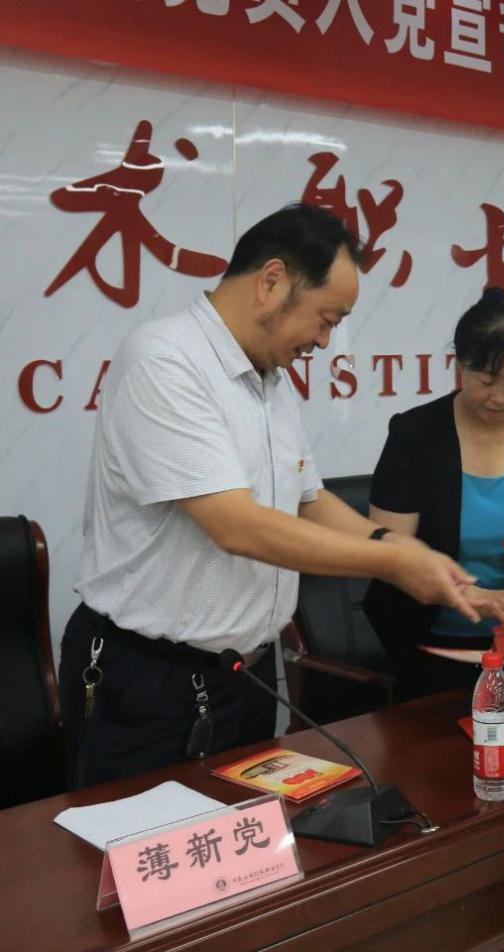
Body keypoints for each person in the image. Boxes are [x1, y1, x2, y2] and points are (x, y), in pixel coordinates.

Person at [59, 203, 478, 789]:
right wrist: (391, 561)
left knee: (252, 840)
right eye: (326, 319)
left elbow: (310, 499)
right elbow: (237, 526)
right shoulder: (165, 361)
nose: (325, 340)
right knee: (149, 844)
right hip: (151, 682)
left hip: (247, 676)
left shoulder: (269, 380)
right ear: (272, 280)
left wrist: (397, 544)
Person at [364, 288, 504, 698]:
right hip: (427, 645)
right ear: (460, 365)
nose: (499, 397)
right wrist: (475, 596)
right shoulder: (414, 434)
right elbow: (392, 555)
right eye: (487, 380)